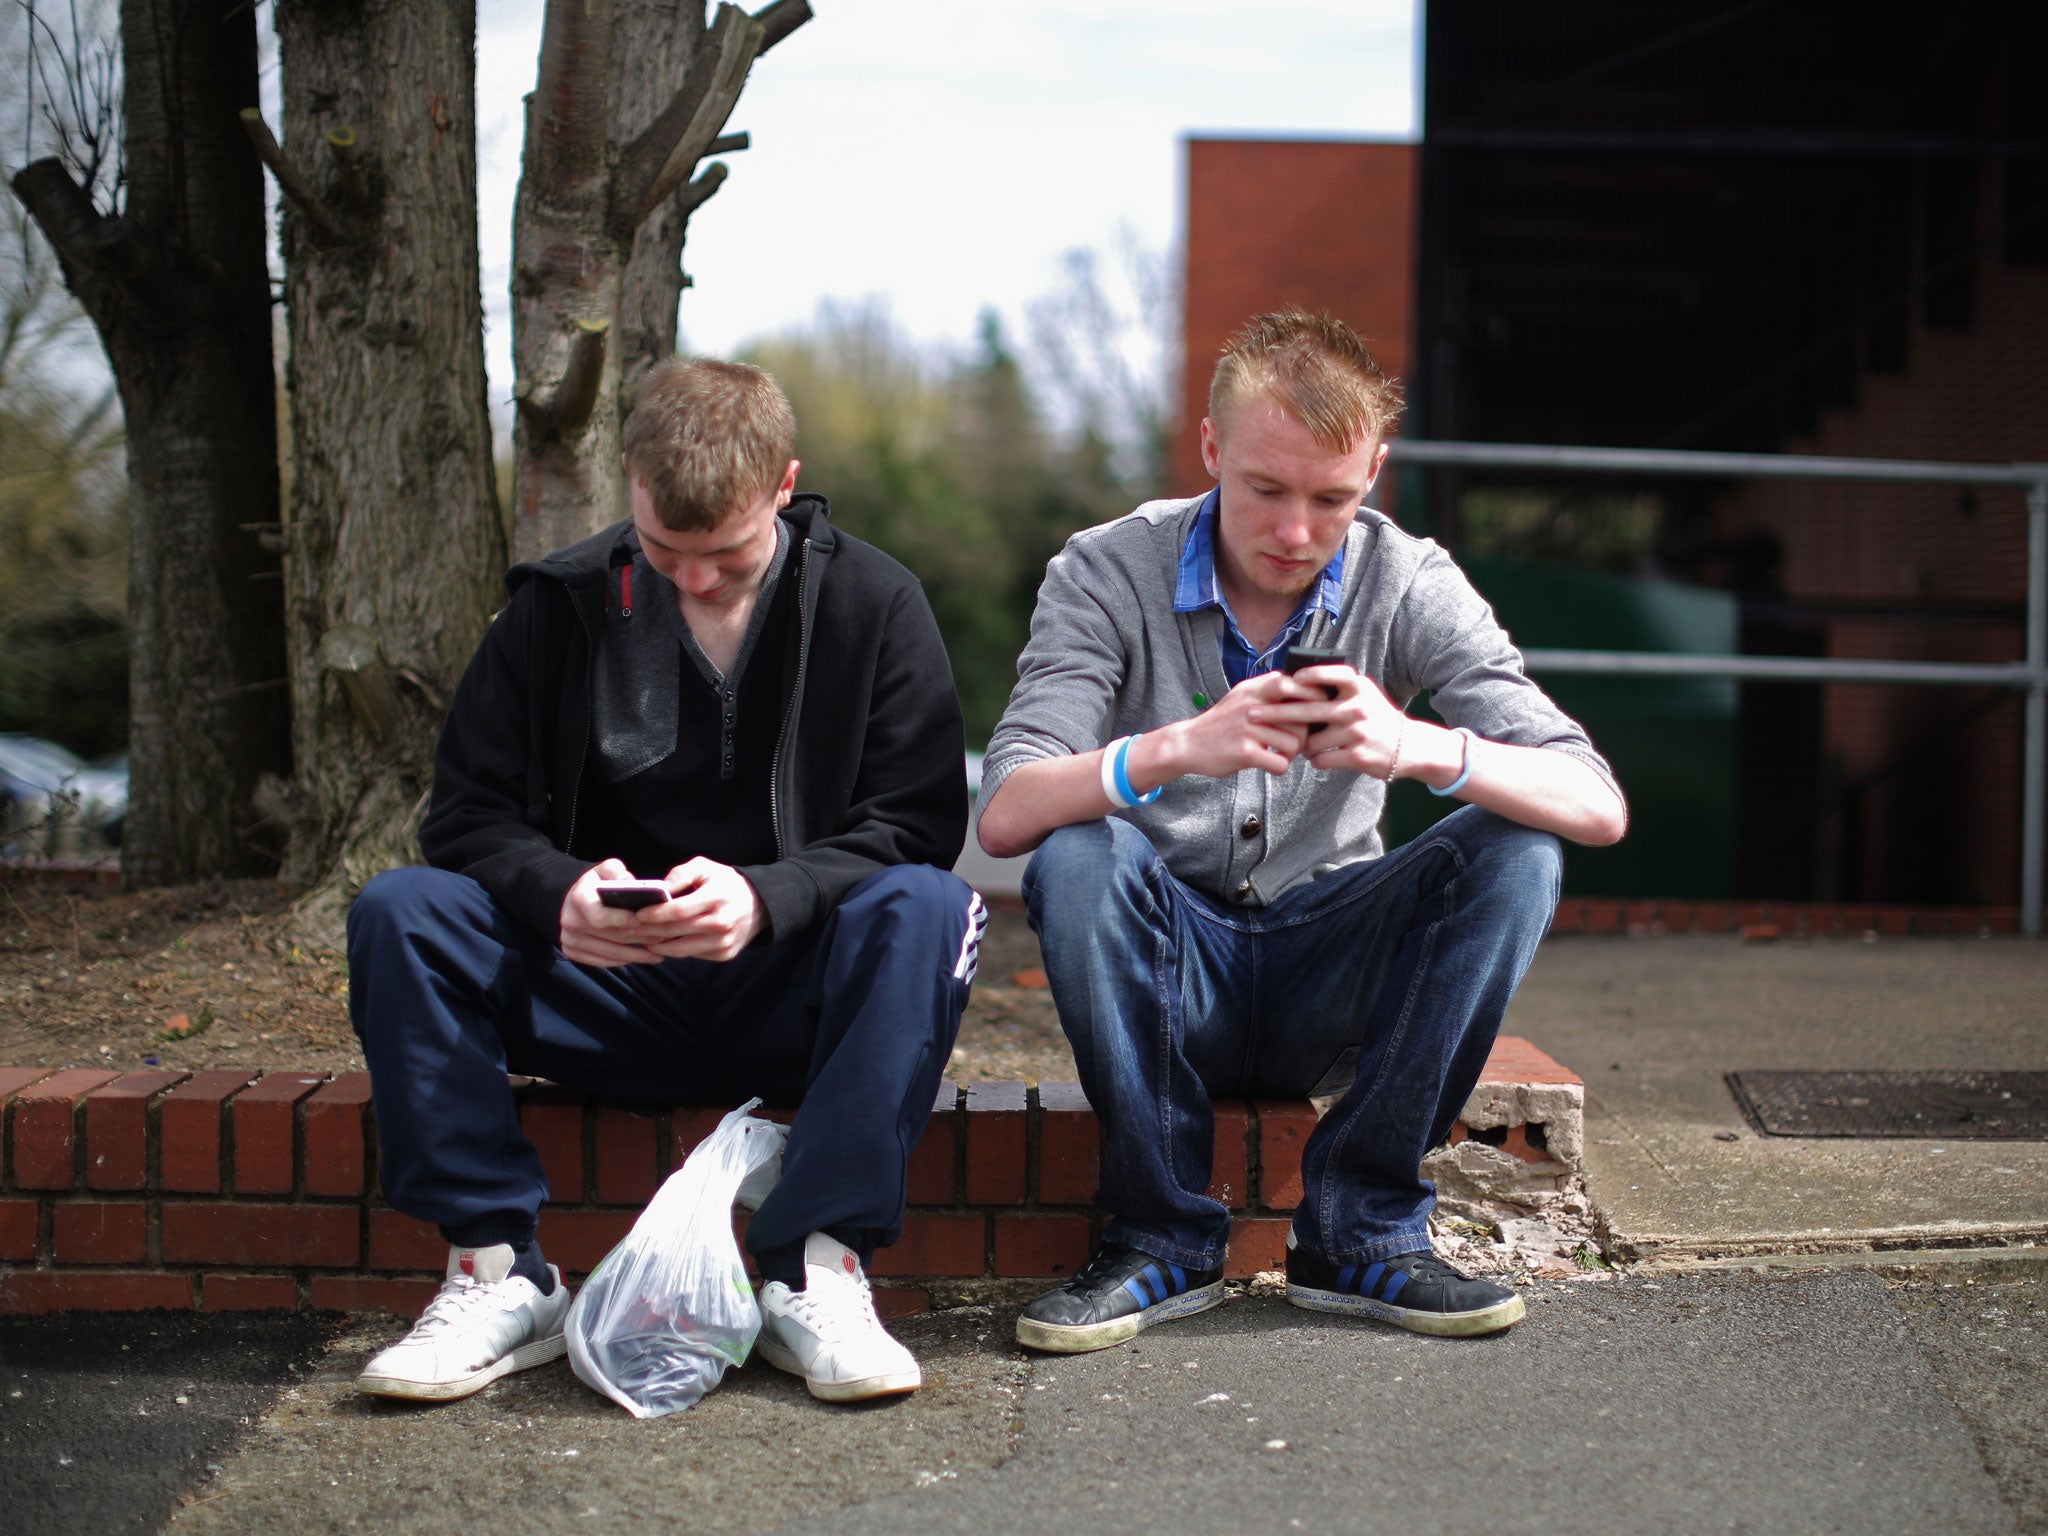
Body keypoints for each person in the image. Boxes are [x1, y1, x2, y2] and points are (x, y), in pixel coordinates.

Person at [978, 310, 1626, 1354]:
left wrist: (1419, 747)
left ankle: (1361, 1230)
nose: (1293, 531)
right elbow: (1006, 811)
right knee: (1078, 849)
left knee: (1517, 848)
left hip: (1332, 964)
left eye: (1332, 498)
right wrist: (1176, 749)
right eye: (1264, 490)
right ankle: (1154, 1237)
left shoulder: (1406, 577)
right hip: (1166, 960)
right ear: (1208, 450)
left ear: (1375, 467)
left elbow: (1595, 804)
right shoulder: (1104, 570)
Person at [346, 358, 982, 1403]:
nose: (693, 579)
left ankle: (814, 1270)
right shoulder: (555, 608)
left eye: (724, 553)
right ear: (627, 484)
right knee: (401, 911)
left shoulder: (874, 604)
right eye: (662, 549)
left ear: (784, 485)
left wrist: (771, 896)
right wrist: (555, 892)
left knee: (928, 906)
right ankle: (496, 1273)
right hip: (597, 987)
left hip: (790, 993)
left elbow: (915, 824)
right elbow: (463, 822)